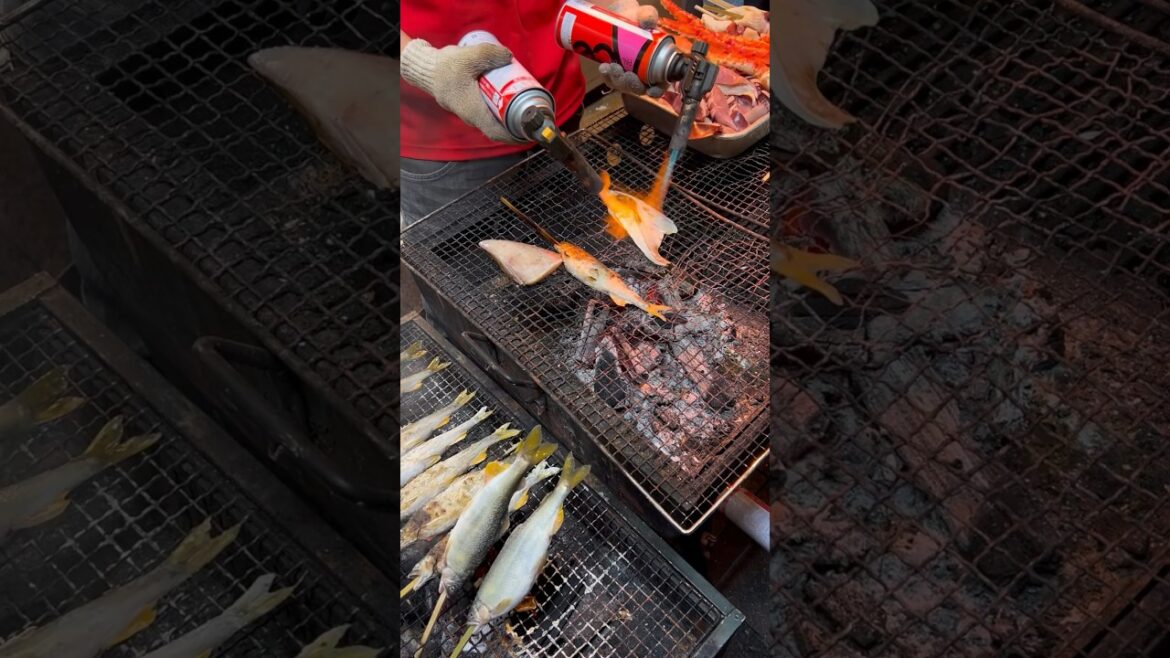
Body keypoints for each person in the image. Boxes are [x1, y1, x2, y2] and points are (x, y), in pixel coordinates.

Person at [399, 0, 664, 228]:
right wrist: (421, 64)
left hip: (557, 102)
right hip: (443, 142)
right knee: (463, 275)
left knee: (579, 241)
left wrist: (616, 11)